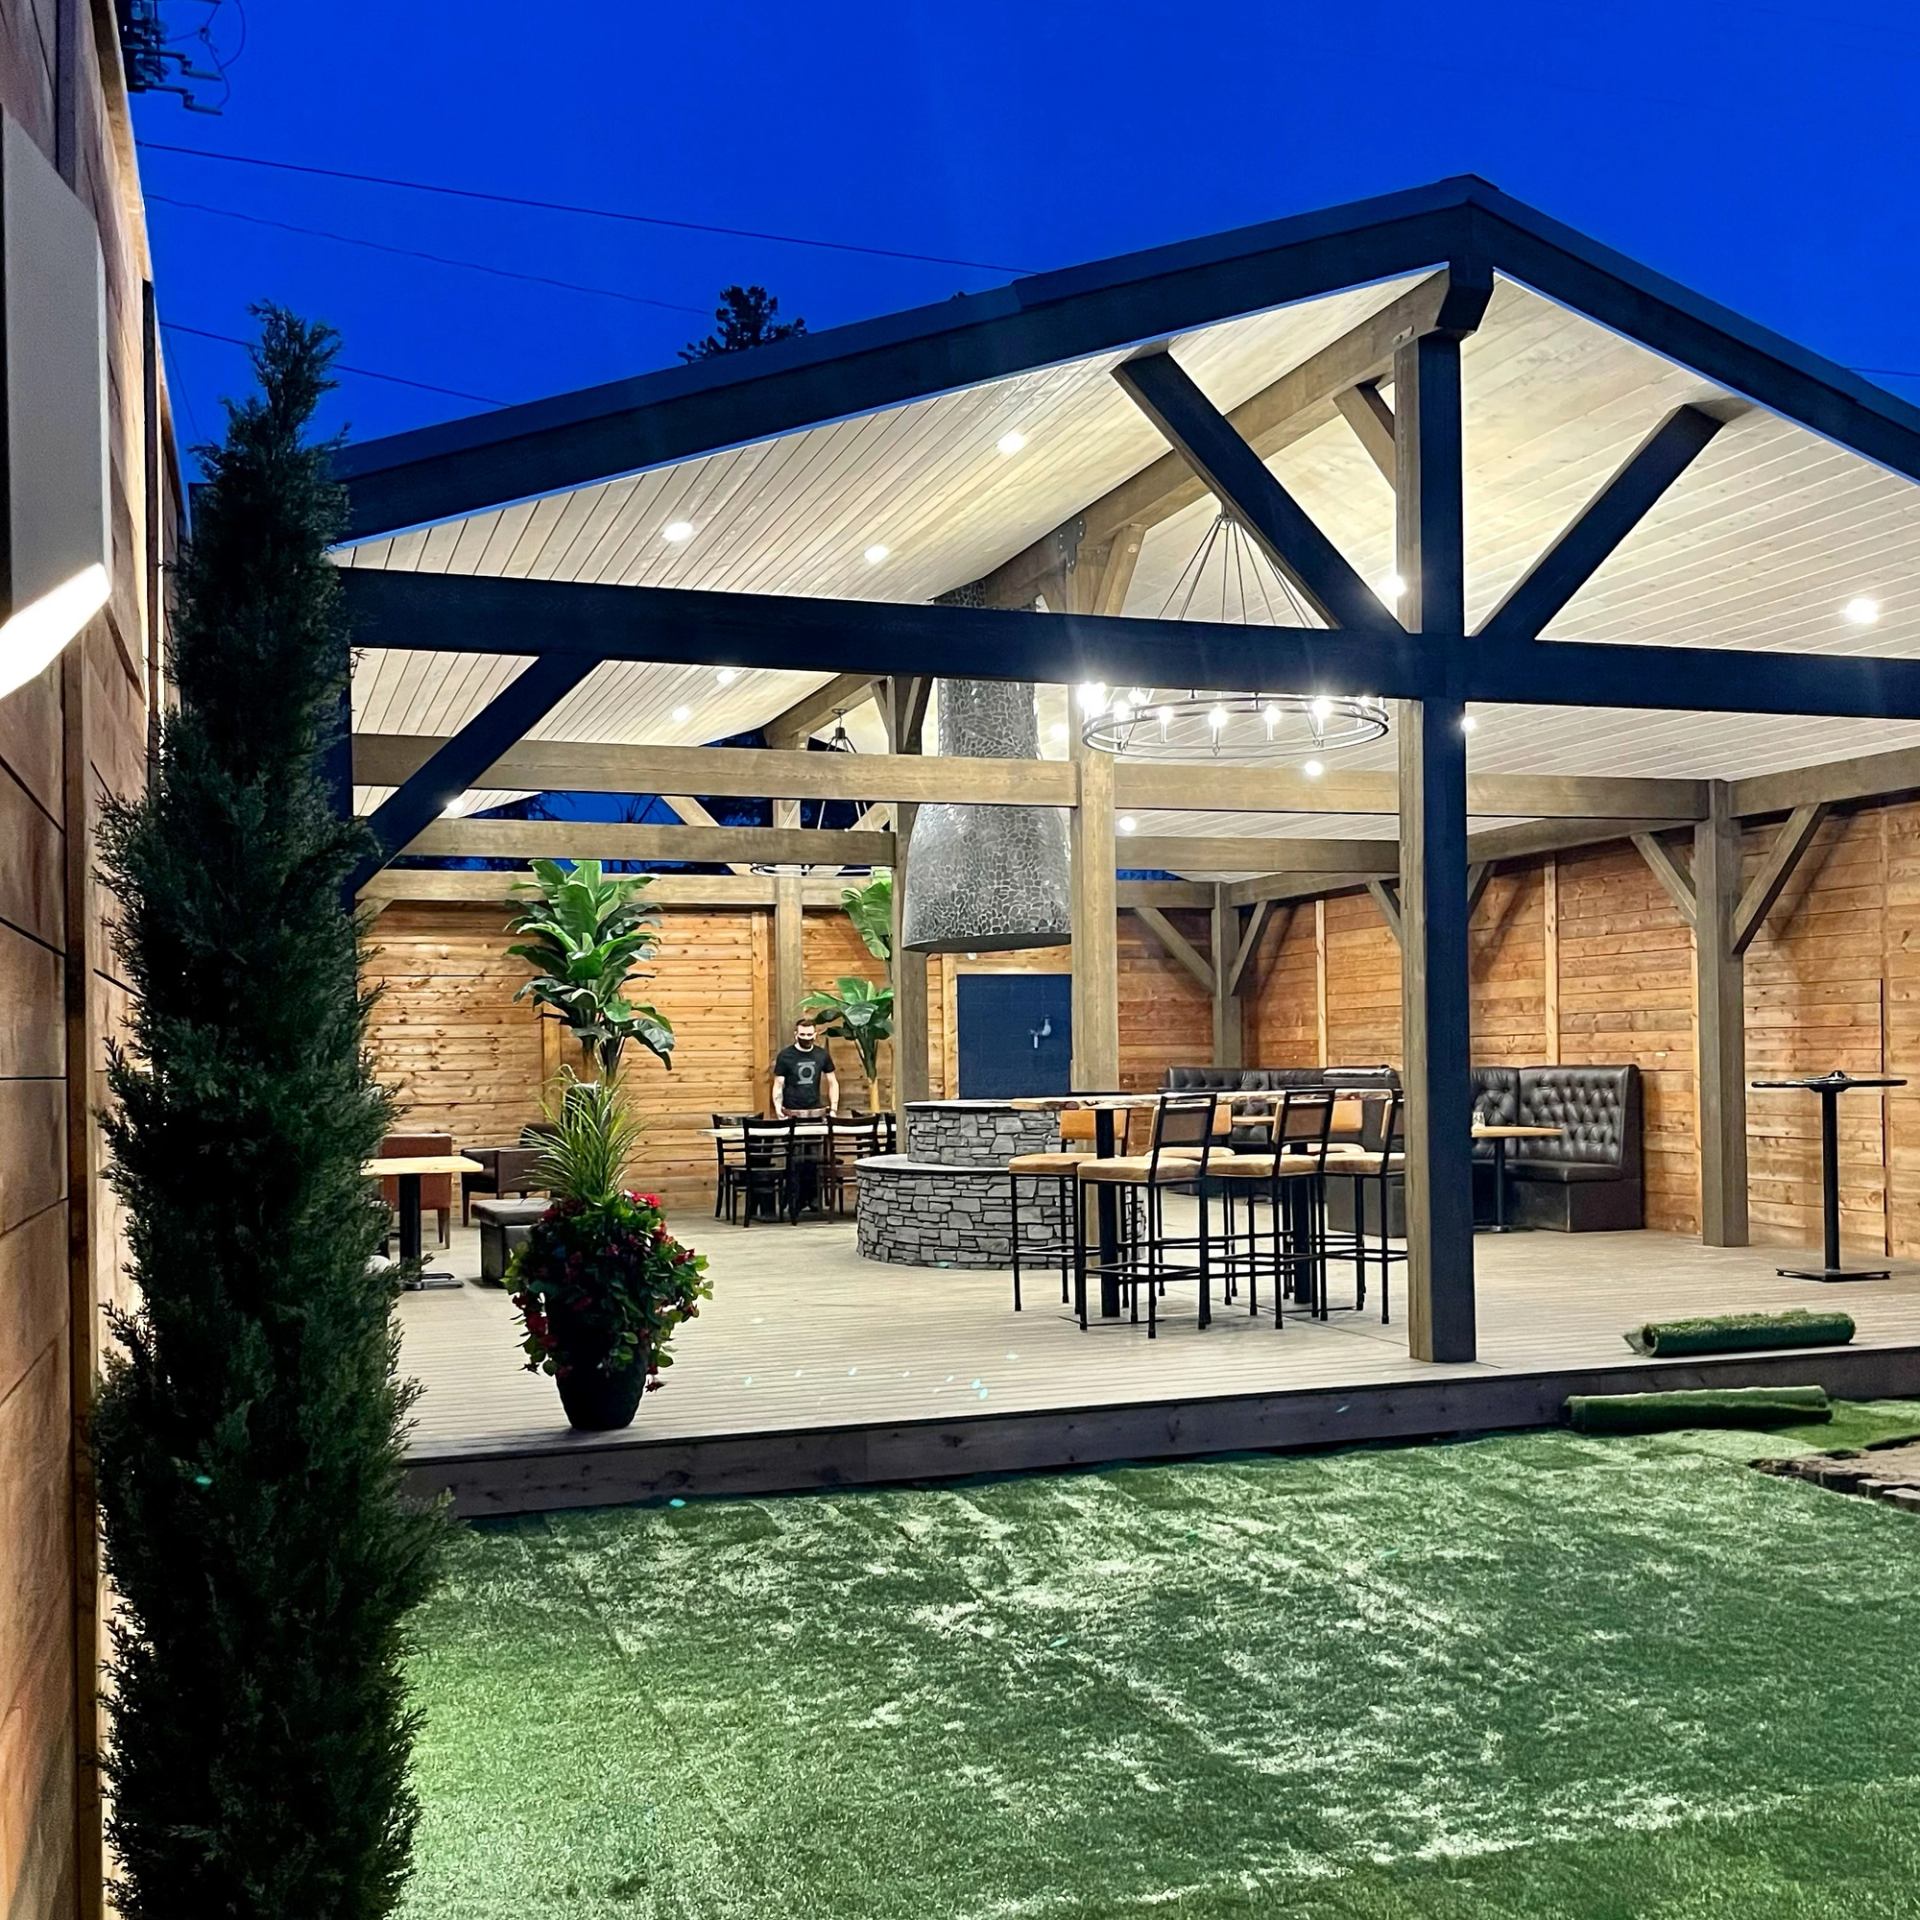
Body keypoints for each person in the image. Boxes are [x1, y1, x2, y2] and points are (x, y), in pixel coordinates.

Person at [772, 1017, 838, 1120]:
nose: (806, 1038)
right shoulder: (785, 1055)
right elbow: (778, 1084)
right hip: (791, 1111)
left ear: (815, 1035)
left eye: (809, 1035)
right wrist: (777, 1108)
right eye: (802, 1034)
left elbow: (833, 1082)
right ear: (796, 1035)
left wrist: (834, 1108)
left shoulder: (822, 1054)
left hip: (815, 1109)